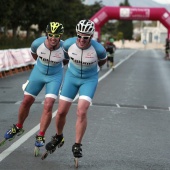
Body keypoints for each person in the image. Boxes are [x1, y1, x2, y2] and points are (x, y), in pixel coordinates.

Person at [45, 19, 107, 159]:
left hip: (89, 80)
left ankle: (77, 145)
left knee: (81, 110)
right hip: (71, 79)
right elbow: (66, 57)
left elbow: (103, 61)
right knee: (60, 112)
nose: (82, 40)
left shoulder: (98, 49)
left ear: (91, 37)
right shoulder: (68, 44)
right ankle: (58, 136)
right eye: (79, 36)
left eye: (86, 37)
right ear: (76, 34)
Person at [3, 22, 69, 152]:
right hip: (39, 72)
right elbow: (34, 56)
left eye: (56, 35)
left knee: (48, 104)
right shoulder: (37, 44)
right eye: (50, 35)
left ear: (60, 36)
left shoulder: (65, 47)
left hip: (54, 76)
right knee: (26, 101)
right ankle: (18, 126)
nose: (53, 38)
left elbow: (65, 61)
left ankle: (41, 135)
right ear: (47, 34)